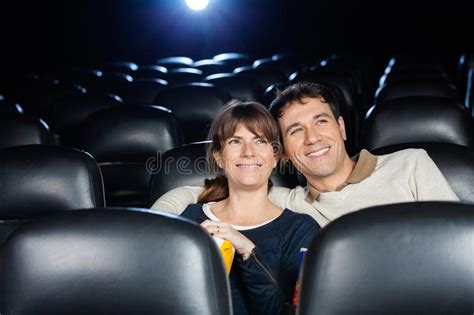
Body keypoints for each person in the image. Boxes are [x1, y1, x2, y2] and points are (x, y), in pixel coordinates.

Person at [151, 82, 459, 227]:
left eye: (321, 121)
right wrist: (157, 226)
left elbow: (461, 244)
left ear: (341, 128)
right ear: (283, 152)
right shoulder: (289, 202)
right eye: (295, 130)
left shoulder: (410, 164)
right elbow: (192, 192)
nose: (312, 138)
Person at [178, 100, 319, 315]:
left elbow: (286, 311)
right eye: (235, 141)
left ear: (275, 157)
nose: (248, 152)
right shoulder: (190, 218)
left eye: (260, 141)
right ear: (219, 157)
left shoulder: (300, 229)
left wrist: (247, 253)